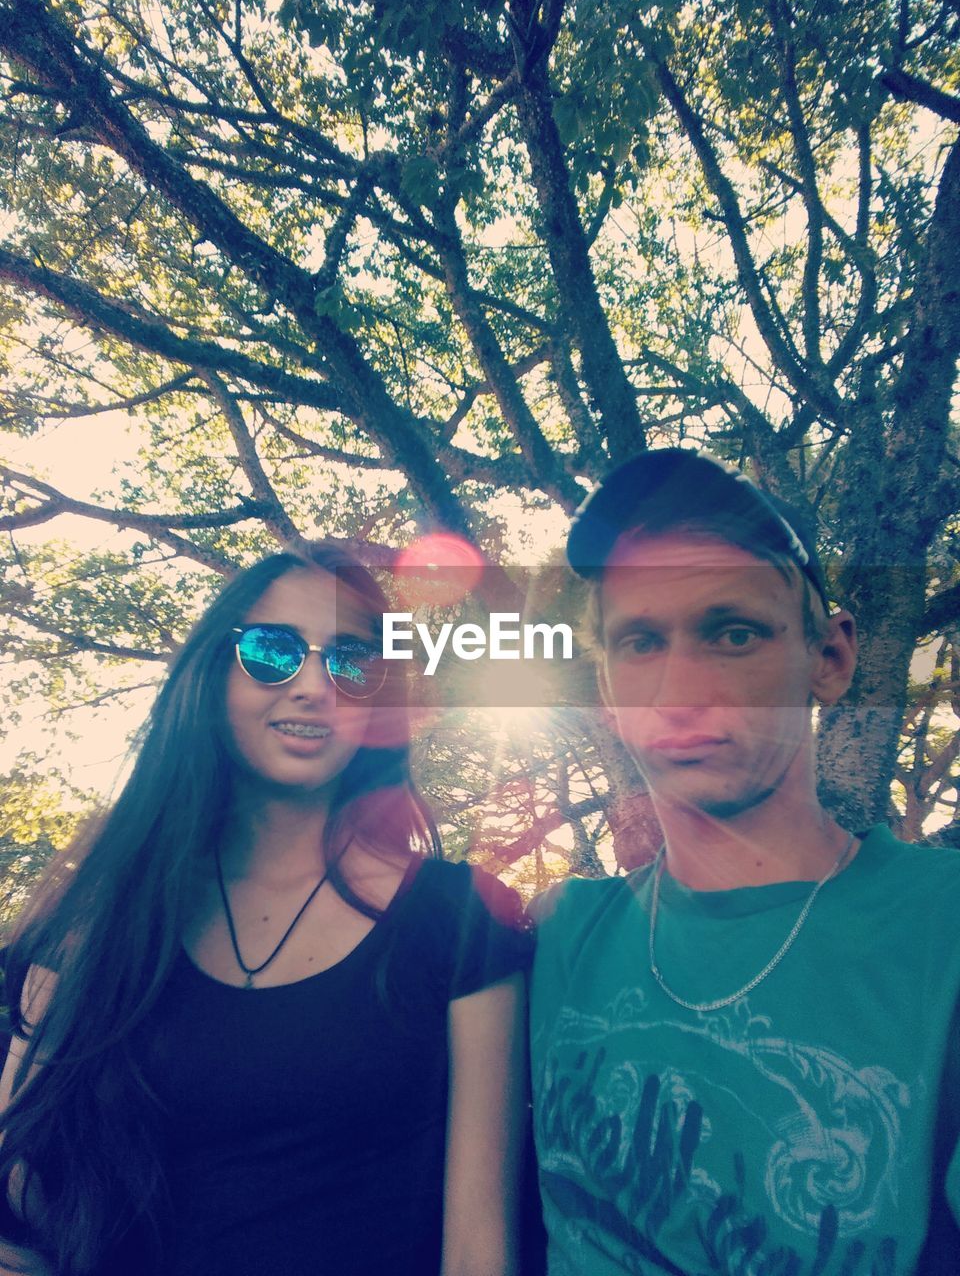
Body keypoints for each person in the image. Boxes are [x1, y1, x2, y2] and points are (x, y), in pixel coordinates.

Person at [0, 541, 531, 1276]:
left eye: (350, 661)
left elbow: (479, 1251)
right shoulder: (100, 913)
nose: (315, 685)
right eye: (274, 651)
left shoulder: (464, 918)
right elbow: (18, 1198)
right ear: (213, 674)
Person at [530, 448, 960, 1274]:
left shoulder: (943, 930)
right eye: (642, 642)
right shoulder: (557, 938)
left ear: (830, 660)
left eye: (732, 633)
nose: (681, 687)